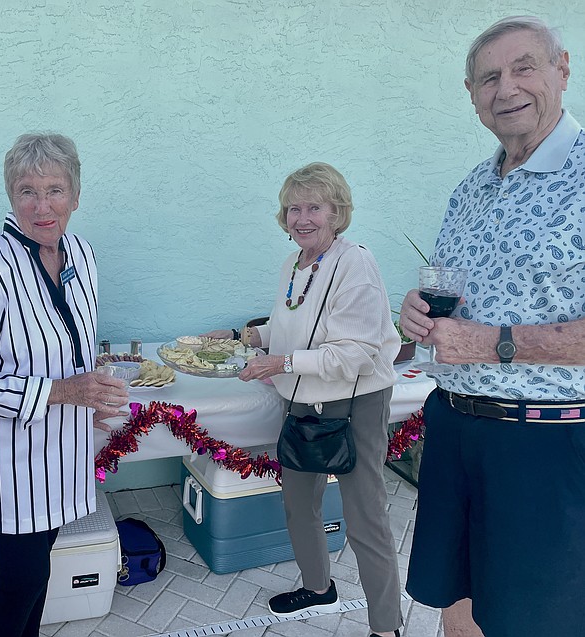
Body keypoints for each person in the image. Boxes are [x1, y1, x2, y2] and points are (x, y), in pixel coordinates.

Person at [400, 15, 585, 637]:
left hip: (545, 445)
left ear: (562, 69)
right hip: (456, 428)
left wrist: (493, 342)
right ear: (472, 94)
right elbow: (455, 292)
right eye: (488, 78)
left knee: (535, 620)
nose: (505, 88)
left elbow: (489, 332)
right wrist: (418, 314)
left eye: (523, 67)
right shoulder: (471, 187)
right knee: (458, 604)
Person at [0, 133, 128, 637]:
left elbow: (75, 347)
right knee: (22, 580)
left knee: (36, 576)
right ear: (11, 196)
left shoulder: (83, 256)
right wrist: (65, 391)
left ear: (76, 195)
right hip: (9, 465)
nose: (42, 206)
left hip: (60, 454)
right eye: (28, 190)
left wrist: (91, 402)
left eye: (55, 189)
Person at [205, 163, 402, 637]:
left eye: (314, 207)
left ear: (337, 212)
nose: (302, 217)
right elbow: (291, 327)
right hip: (302, 404)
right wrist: (242, 336)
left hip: (355, 405)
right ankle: (318, 589)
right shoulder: (295, 265)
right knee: (297, 504)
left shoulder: (355, 263)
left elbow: (353, 354)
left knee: (365, 519)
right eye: (294, 207)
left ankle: (386, 627)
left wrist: (279, 364)